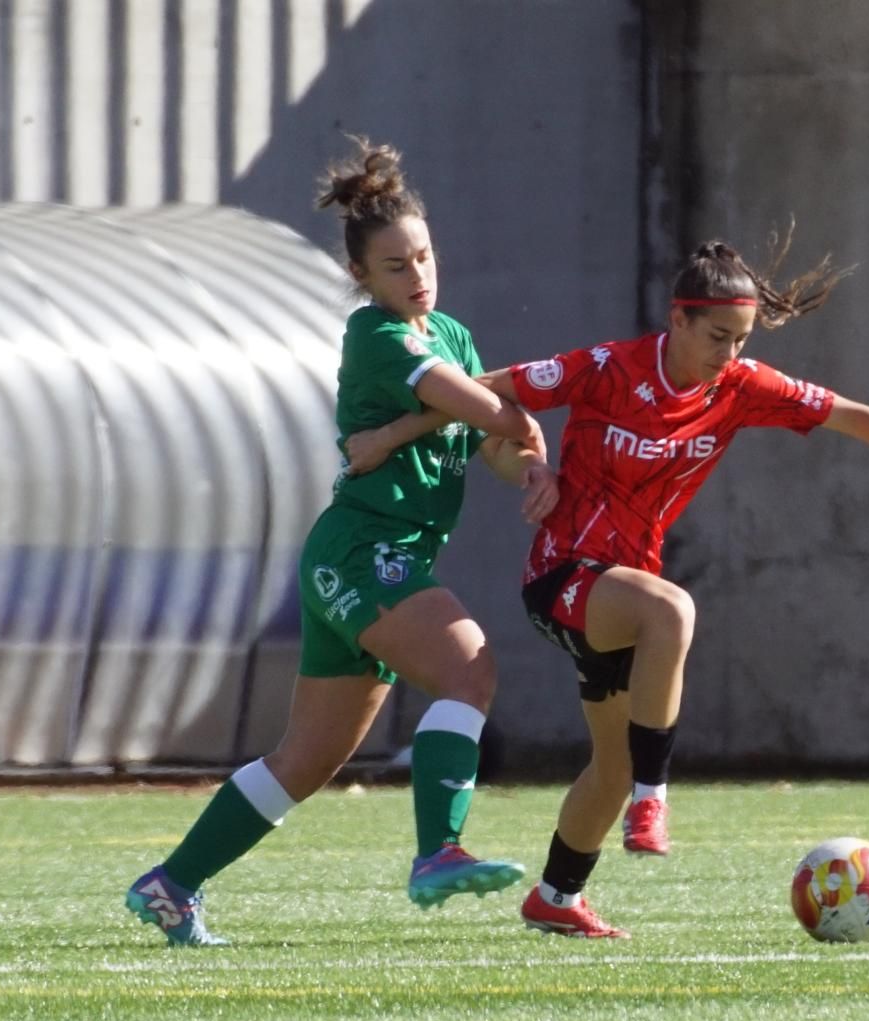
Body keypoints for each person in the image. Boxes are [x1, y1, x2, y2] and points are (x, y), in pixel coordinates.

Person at [349, 235, 869, 938]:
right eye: (718, 335)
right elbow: (487, 391)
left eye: (742, 339)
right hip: (562, 576)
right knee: (673, 609)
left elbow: (845, 412)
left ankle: (558, 896)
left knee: (611, 760)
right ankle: (654, 798)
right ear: (678, 319)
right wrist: (393, 435)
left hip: (623, 597)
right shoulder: (607, 368)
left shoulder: (740, 388)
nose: (731, 354)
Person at [123, 136, 557, 946]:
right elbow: (487, 407)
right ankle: (439, 851)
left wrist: (525, 464)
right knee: (470, 665)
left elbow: (495, 437)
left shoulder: (451, 335)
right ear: (363, 277)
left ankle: (171, 884)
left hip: (379, 561)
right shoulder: (378, 337)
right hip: (363, 554)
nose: (417, 275)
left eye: (424, 255)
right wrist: (501, 411)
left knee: (306, 762)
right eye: (396, 265)